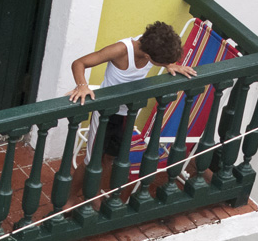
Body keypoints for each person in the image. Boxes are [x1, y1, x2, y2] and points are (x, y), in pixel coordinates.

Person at [68, 21, 197, 158]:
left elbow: (163, 49)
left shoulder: (151, 44)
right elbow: (79, 63)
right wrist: (82, 86)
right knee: (92, 161)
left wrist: (171, 65)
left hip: (128, 112)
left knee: (113, 157)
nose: (165, 65)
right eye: (163, 63)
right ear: (148, 57)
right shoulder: (121, 50)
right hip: (105, 113)